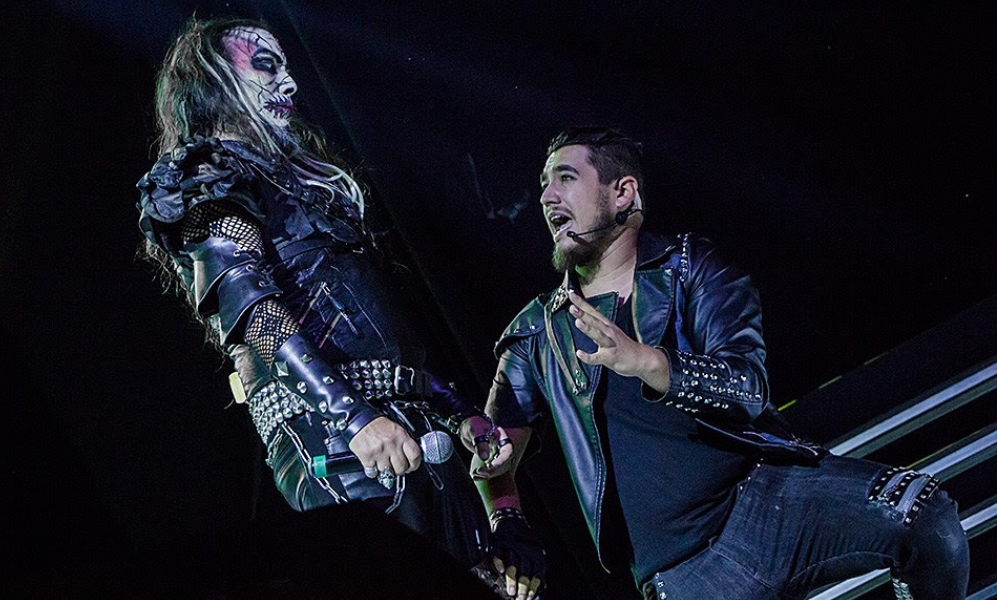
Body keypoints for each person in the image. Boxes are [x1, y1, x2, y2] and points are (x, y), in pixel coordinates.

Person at [135, 17, 543, 596]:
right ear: (212, 81)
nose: (289, 83)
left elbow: (384, 341)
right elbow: (252, 312)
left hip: (405, 427)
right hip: (332, 434)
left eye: (286, 65)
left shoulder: (298, 185)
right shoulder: (208, 177)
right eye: (265, 65)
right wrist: (351, 417)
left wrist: (457, 411)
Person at [472, 127, 970, 599]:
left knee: (922, 513)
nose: (547, 197)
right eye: (545, 184)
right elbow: (496, 450)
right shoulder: (535, 333)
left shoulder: (693, 267)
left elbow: (748, 388)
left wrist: (648, 362)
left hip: (767, 500)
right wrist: (506, 518)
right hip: (685, 573)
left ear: (623, 193)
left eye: (566, 177)